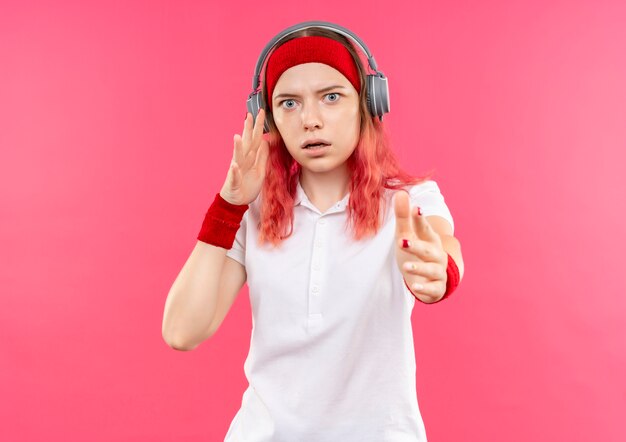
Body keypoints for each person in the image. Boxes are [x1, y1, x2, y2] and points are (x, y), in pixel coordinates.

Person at [162, 21, 465, 442]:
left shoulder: (411, 201)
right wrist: (229, 204)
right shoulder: (250, 213)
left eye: (331, 97)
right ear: (266, 120)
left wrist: (438, 269)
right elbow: (181, 330)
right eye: (289, 103)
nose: (310, 120)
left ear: (367, 104)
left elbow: (443, 249)